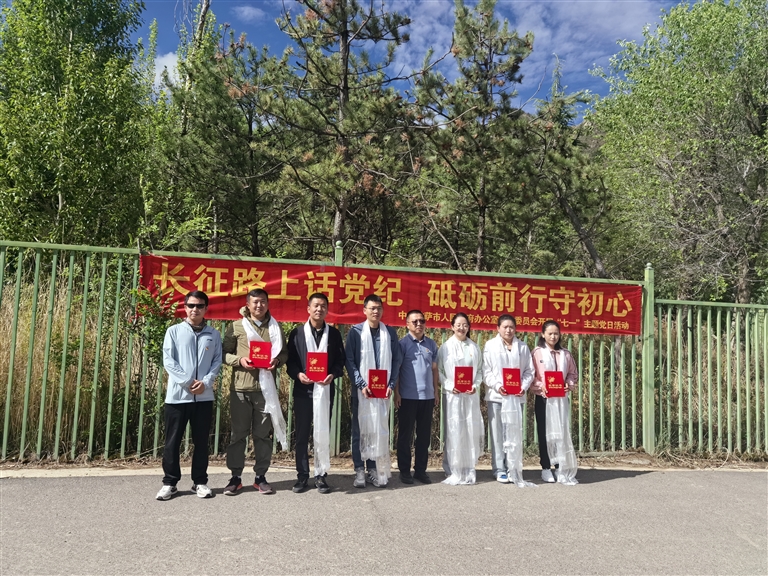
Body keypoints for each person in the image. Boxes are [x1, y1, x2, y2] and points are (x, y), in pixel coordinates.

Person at [156, 290, 222, 500]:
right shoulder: (174, 331)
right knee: (172, 442)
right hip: (177, 397)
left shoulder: (214, 334)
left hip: (204, 397)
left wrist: (206, 383)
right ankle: (170, 483)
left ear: (206, 308)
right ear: (185, 308)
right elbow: (169, 361)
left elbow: (217, 361)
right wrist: (187, 382)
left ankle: (199, 482)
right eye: (191, 305)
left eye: (200, 306)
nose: (195, 309)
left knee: (201, 441)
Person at [221, 288, 288, 495]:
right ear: (248, 305)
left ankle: (261, 477)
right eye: (255, 302)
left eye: (263, 302)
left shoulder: (275, 327)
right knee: (238, 435)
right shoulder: (236, 326)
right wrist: (239, 360)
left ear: (268, 304)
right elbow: (223, 354)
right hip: (241, 389)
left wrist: (277, 361)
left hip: (265, 391)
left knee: (262, 436)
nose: (259, 305)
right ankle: (235, 477)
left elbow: (284, 353)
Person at [286, 293, 345, 494]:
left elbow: (340, 361)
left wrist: (332, 374)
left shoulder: (333, 335)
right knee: (302, 435)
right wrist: (298, 374)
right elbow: (290, 361)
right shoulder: (297, 333)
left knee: (322, 432)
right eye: (316, 305)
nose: (319, 309)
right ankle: (302, 475)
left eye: (323, 306)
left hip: (325, 390)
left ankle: (321, 475)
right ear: (308, 309)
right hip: (303, 391)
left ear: (327, 310)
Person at [345, 294, 403, 488]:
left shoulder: (390, 333)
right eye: (372, 308)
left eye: (378, 308)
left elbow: (396, 360)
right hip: (362, 391)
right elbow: (350, 361)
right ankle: (359, 469)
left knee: (377, 430)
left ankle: (373, 468)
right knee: (360, 430)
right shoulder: (355, 332)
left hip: (382, 392)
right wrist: (361, 384)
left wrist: (391, 384)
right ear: (364, 310)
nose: (375, 311)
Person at [482, 314, 535, 486]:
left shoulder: (523, 347)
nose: (508, 330)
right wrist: (498, 386)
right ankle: (499, 469)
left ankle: (513, 468)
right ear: (498, 328)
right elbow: (486, 371)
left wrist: (523, 387)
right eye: (505, 327)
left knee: (514, 433)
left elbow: (529, 371)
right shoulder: (490, 345)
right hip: (497, 396)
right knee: (498, 434)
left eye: (511, 327)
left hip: (516, 396)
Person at [436, 313, 484, 485]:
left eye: (465, 325)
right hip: (452, 396)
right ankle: (451, 467)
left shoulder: (474, 347)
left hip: (470, 395)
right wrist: (450, 386)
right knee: (453, 430)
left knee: (469, 430)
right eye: (458, 325)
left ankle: (468, 467)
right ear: (452, 327)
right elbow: (438, 371)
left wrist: (475, 385)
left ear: (469, 327)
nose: (461, 328)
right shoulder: (445, 348)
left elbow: (480, 371)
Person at [531, 319, 579, 485]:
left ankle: (560, 466)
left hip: (560, 399)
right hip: (544, 399)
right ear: (543, 334)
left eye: (556, 333)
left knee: (560, 433)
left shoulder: (565, 354)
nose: (553, 337)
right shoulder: (537, 353)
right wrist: (540, 386)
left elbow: (573, 373)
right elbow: (531, 374)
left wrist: (568, 384)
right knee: (545, 433)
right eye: (550, 333)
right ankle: (545, 467)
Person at [395, 310, 439, 485]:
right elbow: (397, 370)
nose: (419, 324)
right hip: (407, 397)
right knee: (405, 436)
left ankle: (420, 470)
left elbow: (434, 370)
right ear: (407, 324)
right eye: (415, 321)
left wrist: (435, 392)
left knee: (423, 436)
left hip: (427, 397)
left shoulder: (431, 344)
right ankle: (404, 471)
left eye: (422, 321)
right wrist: (397, 393)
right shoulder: (402, 344)